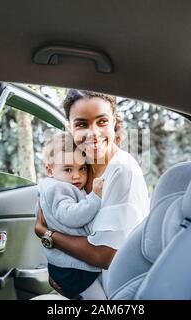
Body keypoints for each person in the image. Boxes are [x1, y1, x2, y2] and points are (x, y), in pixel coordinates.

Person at [35, 90, 150, 299]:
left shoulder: (122, 170)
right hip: (83, 282)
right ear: (70, 127)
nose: (93, 133)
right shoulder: (82, 165)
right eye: (81, 124)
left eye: (102, 121)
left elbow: (104, 256)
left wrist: (46, 234)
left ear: (114, 121)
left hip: (116, 289)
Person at [37, 131, 104, 299]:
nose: (77, 175)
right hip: (72, 268)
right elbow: (71, 217)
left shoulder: (56, 186)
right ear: (49, 170)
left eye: (82, 168)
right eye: (68, 169)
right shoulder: (58, 188)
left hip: (66, 264)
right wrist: (95, 198)